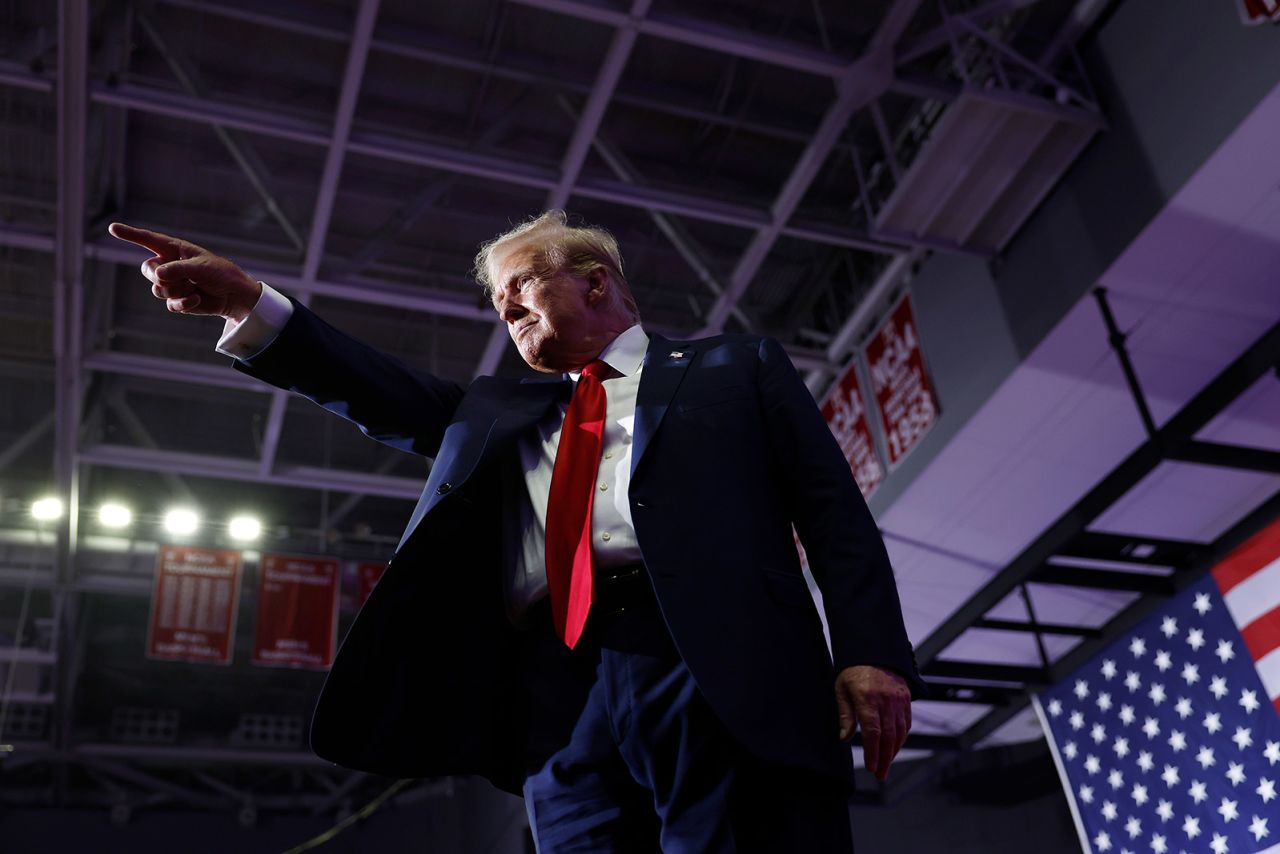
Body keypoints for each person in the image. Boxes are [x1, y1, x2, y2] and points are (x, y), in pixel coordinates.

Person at [109, 211, 924, 852]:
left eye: (521, 289)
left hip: (713, 665)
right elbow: (369, 385)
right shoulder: (496, 413)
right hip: (556, 692)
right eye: (499, 307)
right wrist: (252, 303)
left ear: (596, 283)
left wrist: (872, 653)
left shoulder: (734, 369)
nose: (507, 313)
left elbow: (832, 512)